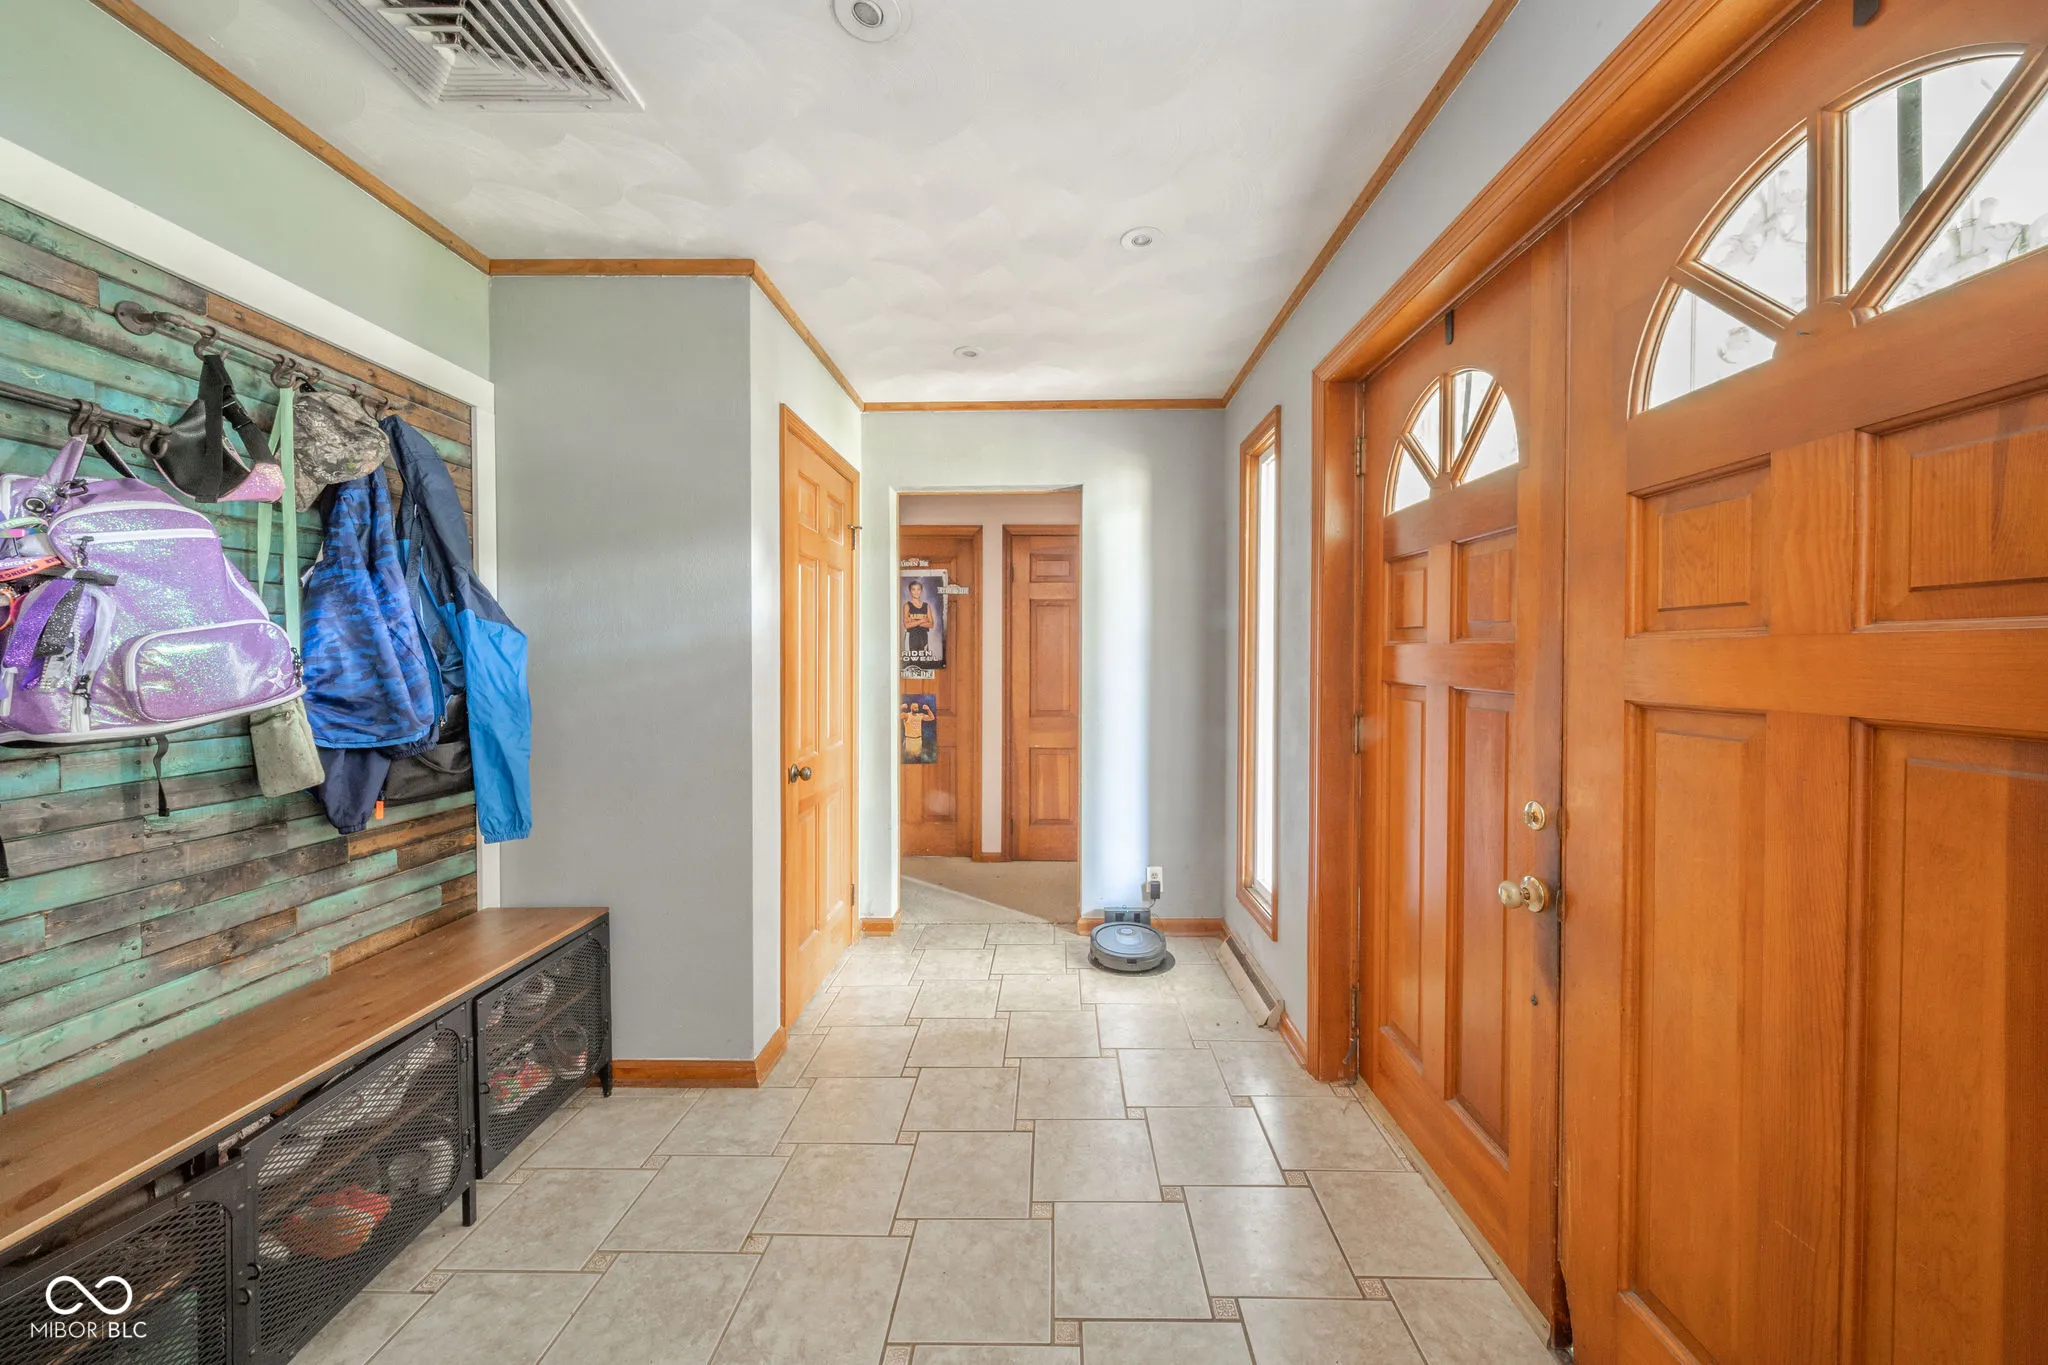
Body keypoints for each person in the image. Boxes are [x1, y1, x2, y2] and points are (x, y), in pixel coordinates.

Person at [903, 579, 937, 659]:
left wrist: (914, 622)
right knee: (912, 660)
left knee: (924, 660)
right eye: (913, 589)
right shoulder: (907, 605)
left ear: (921, 591)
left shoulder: (926, 606)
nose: (916, 592)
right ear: (910, 591)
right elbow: (906, 625)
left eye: (918, 589)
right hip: (911, 637)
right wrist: (922, 620)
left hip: (924, 637)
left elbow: (931, 624)